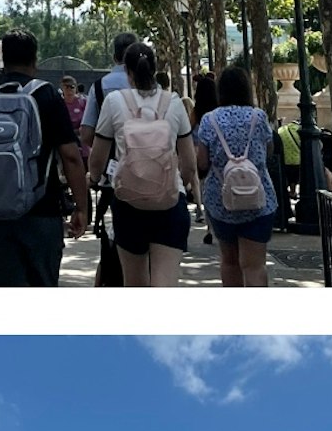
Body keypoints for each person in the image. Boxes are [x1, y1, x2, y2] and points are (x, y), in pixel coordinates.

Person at [0, 32, 85, 287]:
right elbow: (71, 157)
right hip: (42, 210)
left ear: (4, 59)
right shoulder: (47, 95)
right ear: (35, 59)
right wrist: (82, 207)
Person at [87, 43, 197, 288]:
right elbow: (189, 163)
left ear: (127, 71)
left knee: (134, 284)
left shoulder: (114, 101)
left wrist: (94, 177)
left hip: (128, 205)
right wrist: (181, 184)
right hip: (169, 203)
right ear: (155, 69)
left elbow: (97, 159)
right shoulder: (175, 102)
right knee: (164, 284)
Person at [194, 65, 280, 287]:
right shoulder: (258, 117)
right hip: (259, 201)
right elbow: (269, 151)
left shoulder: (209, 120)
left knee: (230, 262)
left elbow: (202, 162)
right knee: (255, 265)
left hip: (222, 202)